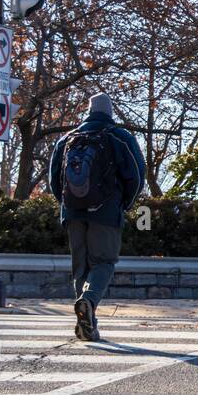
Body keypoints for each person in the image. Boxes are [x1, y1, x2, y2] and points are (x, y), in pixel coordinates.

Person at [49, 92, 146, 342]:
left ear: (89, 111)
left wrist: (68, 206)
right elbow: (136, 176)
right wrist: (123, 204)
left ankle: (87, 323)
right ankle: (88, 302)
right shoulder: (119, 137)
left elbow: (54, 179)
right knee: (103, 262)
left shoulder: (67, 140)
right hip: (106, 211)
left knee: (80, 267)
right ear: (110, 112)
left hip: (72, 213)